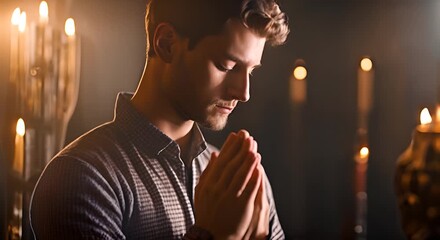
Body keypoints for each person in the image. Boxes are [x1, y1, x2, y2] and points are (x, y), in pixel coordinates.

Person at [30, 0, 290, 239]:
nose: (244, 93)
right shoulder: (80, 179)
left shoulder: (241, 181)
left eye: (251, 71)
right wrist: (211, 235)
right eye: (226, 66)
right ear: (167, 44)